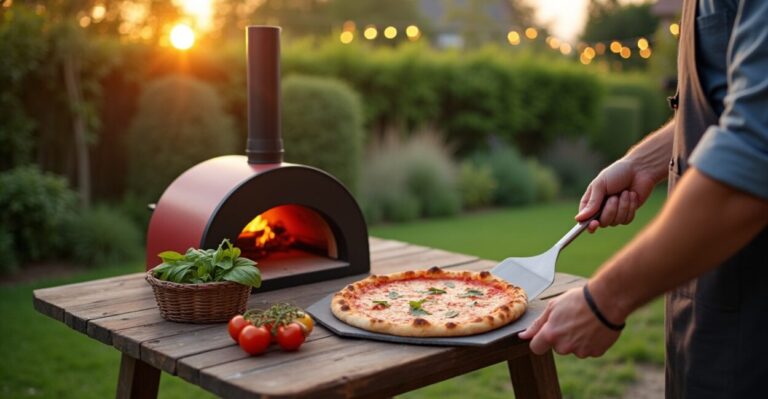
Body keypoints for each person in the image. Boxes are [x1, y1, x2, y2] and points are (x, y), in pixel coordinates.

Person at [518, 0, 768, 397]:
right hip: (708, 315)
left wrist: (604, 300)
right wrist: (645, 161)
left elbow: (755, 157)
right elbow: (734, 104)